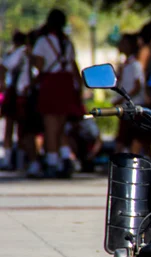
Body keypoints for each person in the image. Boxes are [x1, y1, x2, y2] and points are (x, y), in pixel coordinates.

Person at [32, 9, 84, 178]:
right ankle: (65, 158)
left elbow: (39, 67)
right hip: (66, 84)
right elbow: (73, 66)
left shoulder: (43, 41)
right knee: (61, 126)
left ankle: (53, 163)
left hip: (51, 83)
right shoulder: (67, 42)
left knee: (50, 126)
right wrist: (80, 89)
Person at [0, 31, 41, 176]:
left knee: (27, 131)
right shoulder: (22, 54)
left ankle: (31, 160)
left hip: (29, 96)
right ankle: (19, 159)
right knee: (21, 130)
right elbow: (4, 67)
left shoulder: (33, 55)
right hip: (22, 96)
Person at [113, 34, 149, 156]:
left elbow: (137, 86)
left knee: (136, 138)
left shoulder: (135, 65)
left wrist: (122, 98)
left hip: (134, 106)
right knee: (123, 137)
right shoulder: (125, 65)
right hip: (126, 106)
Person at [0, 31, 27, 170]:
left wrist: (2, 82)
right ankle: (17, 159)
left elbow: (3, 66)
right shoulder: (22, 52)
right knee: (19, 126)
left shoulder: (18, 52)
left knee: (12, 126)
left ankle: (11, 157)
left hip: (16, 92)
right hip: (18, 91)